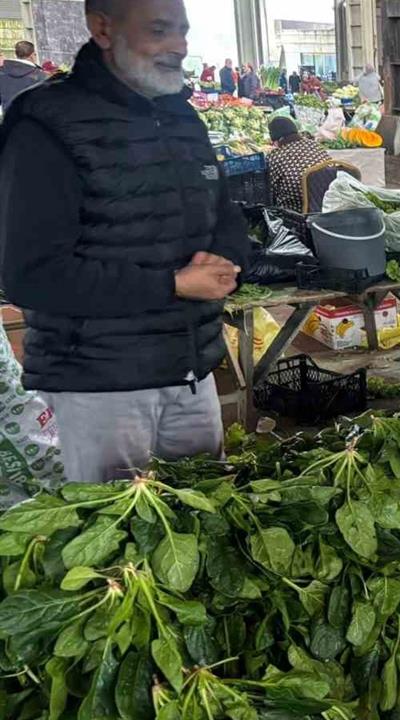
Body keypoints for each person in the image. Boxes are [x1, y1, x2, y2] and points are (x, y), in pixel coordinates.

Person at [0, 0, 249, 483]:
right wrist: (173, 284)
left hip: (191, 370)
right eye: (159, 30)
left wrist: (230, 259)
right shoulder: (47, 124)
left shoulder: (181, 117)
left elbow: (227, 217)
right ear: (103, 29)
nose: (179, 46)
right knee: (116, 520)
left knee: (209, 507)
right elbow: (30, 275)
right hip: (99, 385)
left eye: (183, 31)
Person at [266, 116, 331, 213]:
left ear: (277, 139)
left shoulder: (275, 156)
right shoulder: (315, 145)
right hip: (327, 200)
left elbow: (271, 189)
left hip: (297, 210)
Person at [0, 41, 49, 111]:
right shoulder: (40, 76)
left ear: (16, 54)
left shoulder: (2, 72)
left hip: (8, 115)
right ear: (33, 55)